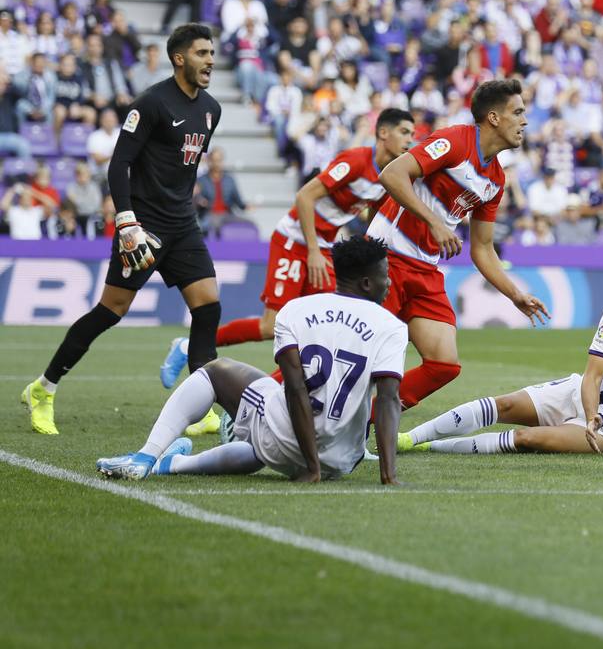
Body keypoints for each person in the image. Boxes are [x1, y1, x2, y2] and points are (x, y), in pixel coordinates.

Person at [21, 24, 222, 437]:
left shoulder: (211, 109)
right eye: (202, 53)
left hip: (182, 225)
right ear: (179, 58)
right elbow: (119, 164)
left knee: (208, 306)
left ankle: (202, 407)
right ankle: (44, 388)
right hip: (143, 226)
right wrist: (126, 221)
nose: (211, 60)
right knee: (111, 311)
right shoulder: (149, 104)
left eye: (212, 53)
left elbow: (183, 168)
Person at [96, 236, 405, 484]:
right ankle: (173, 464)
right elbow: (389, 400)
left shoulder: (296, 310)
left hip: (289, 443)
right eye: (385, 276)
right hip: (341, 460)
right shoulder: (391, 326)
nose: (389, 283)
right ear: (366, 283)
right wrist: (388, 476)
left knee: (216, 370)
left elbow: (295, 387)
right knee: (264, 438)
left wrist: (311, 467)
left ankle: (145, 457)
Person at [399, 247, 603, 457]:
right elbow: (593, 376)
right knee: (504, 403)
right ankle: (409, 438)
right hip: (586, 397)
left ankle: (433, 447)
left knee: (527, 438)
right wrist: (591, 414)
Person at [368, 79, 550, 410]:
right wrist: (434, 222)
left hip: (425, 270)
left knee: (443, 364)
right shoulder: (454, 141)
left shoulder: (495, 180)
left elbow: (482, 248)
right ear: (494, 118)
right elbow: (393, 174)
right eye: (518, 112)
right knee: (353, 354)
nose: (525, 121)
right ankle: (269, 399)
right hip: (386, 258)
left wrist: (515, 294)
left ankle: (365, 422)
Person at [215, 108, 415, 348]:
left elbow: (374, 215)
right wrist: (312, 251)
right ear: (383, 132)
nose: (410, 140)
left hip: (323, 248)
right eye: (404, 132)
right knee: (271, 326)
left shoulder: (387, 176)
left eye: (412, 134)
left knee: (324, 327)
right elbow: (304, 197)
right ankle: (192, 345)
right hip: (293, 240)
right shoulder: (356, 161)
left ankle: (288, 384)